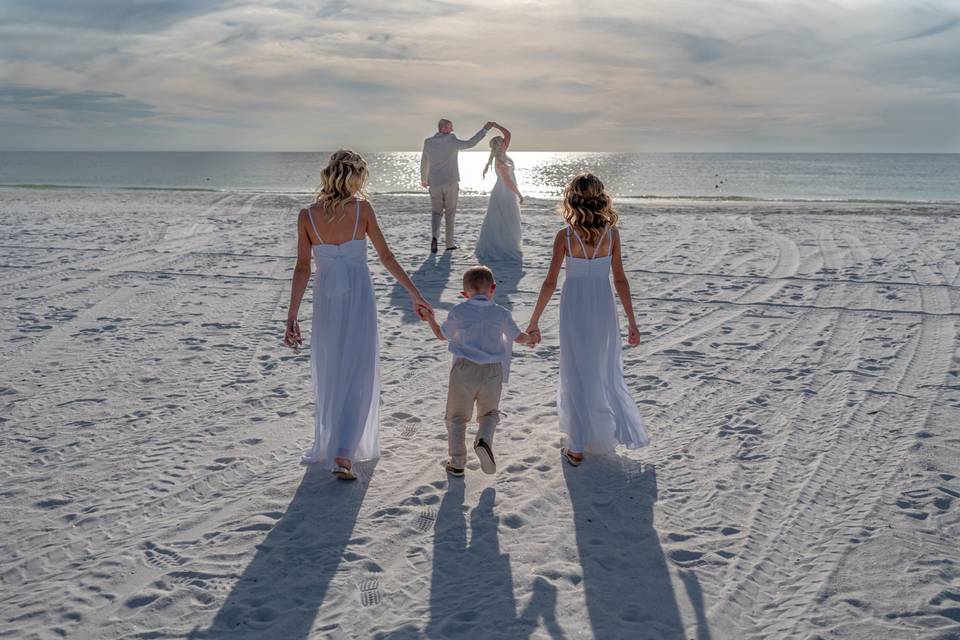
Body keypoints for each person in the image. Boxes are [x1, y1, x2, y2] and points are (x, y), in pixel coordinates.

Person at [284, 149, 432, 480]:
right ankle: (344, 453)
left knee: (333, 366)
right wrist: (415, 293)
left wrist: (292, 316)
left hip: (326, 301)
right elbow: (387, 256)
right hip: (358, 299)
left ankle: (338, 446)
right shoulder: (362, 210)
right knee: (358, 367)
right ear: (356, 176)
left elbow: (303, 268)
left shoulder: (307, 216)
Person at [524, 172, 649, 466]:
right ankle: (595, 435)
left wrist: (534, 321)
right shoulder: (612, 234)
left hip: (574, 306)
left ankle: (578, 444)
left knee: (576, 368)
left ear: (572, 198)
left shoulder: (565, 236)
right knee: (601, 367)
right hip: (603, 306)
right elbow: (619, 280)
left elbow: (550, 282)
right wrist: (631, 321)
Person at [425, 265, 536, 476]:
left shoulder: (459, 310)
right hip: (493, 371)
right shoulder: (502, 313)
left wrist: (430, 317)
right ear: (493, 288)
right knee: (489, 413)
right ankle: (484, 439)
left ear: (464, 293)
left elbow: (442, 335)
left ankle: (457, 462)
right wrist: (531, 339)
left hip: (464, 369)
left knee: (457, 417)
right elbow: (518, 337)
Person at [420, 118, 493, 253]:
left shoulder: (428, 142)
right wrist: (485, 130)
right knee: (450, 213)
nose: (452, 130)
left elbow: (424, 162)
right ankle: (449, 243)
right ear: (443, 128)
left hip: (434, 183)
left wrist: (423, 179)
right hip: (450, 182)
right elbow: (470, 143)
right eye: (450, 127)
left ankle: (435, 238)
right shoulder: (452, 140)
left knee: (436, 213)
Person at [475, 122, 524, 262]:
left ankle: (507, 245)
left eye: (504, 142)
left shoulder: (503, 154)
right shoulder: (500, 161)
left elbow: (508, 134)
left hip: (506, 191)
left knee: (506, 220)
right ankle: (503, 248)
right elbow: (508, 181)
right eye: (502, 142)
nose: (505, 142)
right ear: (499, 145)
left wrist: (495, 125)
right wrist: (519, 194)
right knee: (503, 220)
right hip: (504, 192)